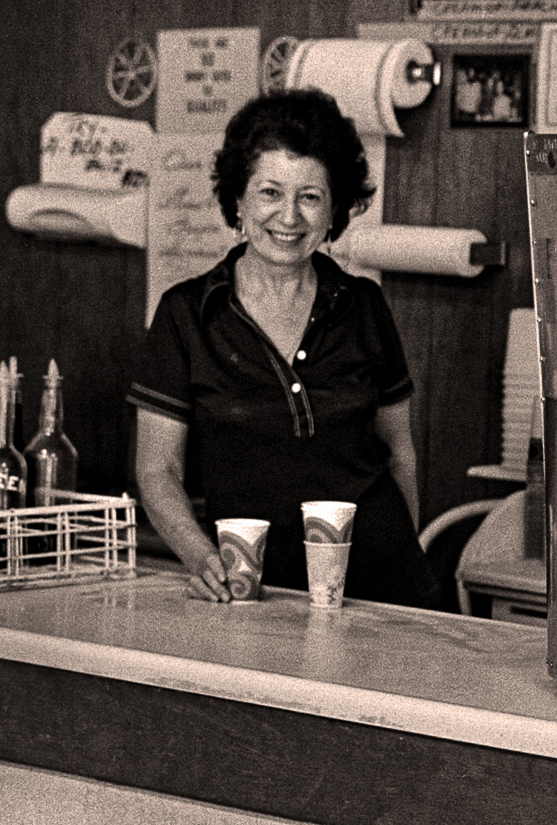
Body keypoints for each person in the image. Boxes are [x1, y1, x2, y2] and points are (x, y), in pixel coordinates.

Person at [131, 89, 442, 609]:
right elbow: (157, 469)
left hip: (384, 589)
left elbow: (398, 451)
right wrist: (203, 561)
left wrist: (400, 560)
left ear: (335, 208)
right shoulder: (187, 315)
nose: (289, 217)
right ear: (238, 200)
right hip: (256, 592)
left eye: (310, 196)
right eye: (270, 193)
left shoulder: (363, 305)